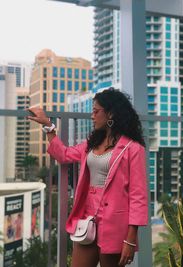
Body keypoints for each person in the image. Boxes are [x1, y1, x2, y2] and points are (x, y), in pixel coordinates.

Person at [27, 88, 148, 267]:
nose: (92, 116)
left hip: (115, 226)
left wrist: (130, 240)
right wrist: (48, 126)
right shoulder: (92, 143)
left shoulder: (133, 149)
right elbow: (64, 155)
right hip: (87, 220)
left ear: (111, 114)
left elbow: (138, 197)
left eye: (96, 111)